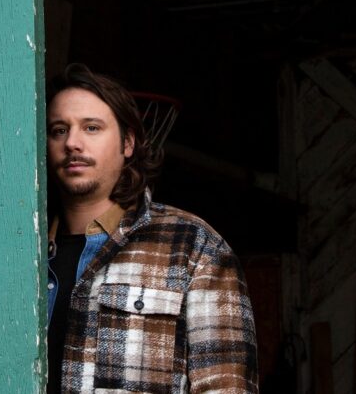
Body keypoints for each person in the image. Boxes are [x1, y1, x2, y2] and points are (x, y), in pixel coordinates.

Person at [45, 63, 258, 393]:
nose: (72, 142)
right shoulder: (17, 251)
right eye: (59, 130)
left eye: (91, 128)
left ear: (128, 142)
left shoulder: (194, 248)